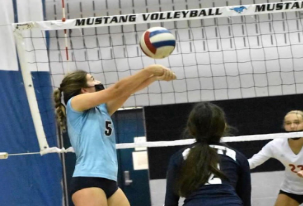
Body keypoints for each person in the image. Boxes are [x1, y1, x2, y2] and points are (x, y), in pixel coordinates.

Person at [53, 64, 176, 206]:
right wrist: (148, 70)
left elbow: (126, 91)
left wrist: (154, 77)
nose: (98, 81)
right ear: (84, 89)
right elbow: (116, 90)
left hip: (109, 180)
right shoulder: (75, 103)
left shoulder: (101, 109)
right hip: (88, 180)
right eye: (93, 79)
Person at [164, 102, 251, 206]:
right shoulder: (238, 157)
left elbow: (170, 201)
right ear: (223, 126)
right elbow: (245, 200)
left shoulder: (179, 157)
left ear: (190, 128)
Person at [249, 110, 303, 206]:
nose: (292, 127)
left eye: (297, 122)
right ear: (284, 126)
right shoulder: (276, 145)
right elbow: (252, 163)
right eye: (288, 123)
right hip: (291, 190)